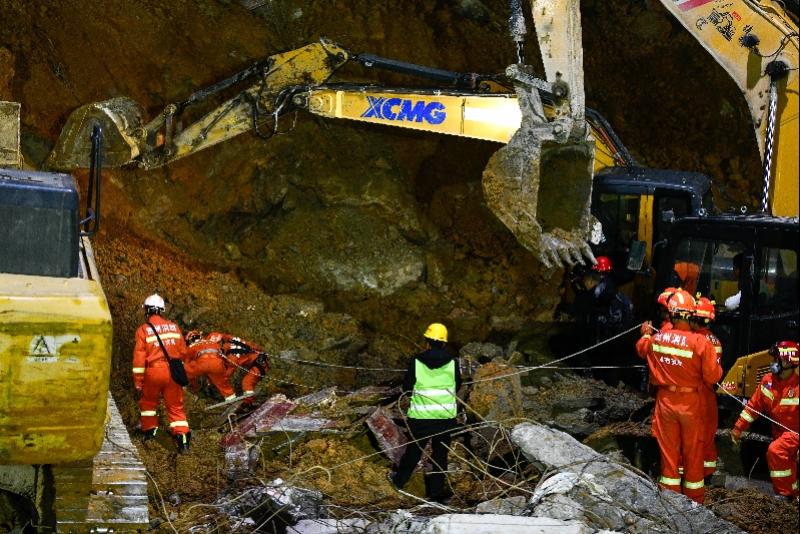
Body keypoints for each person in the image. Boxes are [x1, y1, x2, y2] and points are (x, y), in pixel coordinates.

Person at [636, 289, 722, 503]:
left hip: (665, 402)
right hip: (691, 403)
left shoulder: (658, 338)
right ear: (692, 315)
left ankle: (670, 499)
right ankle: (695, 499)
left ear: (672, 314)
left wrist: (646, 333)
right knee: (693, 450)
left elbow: (641, 349)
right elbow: (713, 376)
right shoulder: (702, 343)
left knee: (669, 452)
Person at [390, 323, 461, 503]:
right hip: (444, 418)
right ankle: (436, 492)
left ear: (427, 341)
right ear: (444, 343)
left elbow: (407, 387)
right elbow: (458, 385)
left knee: (413, 452)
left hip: (420, 418)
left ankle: (398, 482)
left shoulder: (416, 361)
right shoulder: (453, 363)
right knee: (440, 455)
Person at [731, 340, 799, 501]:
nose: (773, 362)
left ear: (789, 362)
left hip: (795, 434)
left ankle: (784, 495)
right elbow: (753, 407)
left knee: (776, 451)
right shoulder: (768, 381)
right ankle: (793, 494)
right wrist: (738, 428)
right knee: (785, 462)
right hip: (780, 433)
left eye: (777, 359)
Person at [132, 294, 192, 453]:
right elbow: (183, 352)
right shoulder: (174, 327)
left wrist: (138, 380)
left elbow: (139, 358)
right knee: (176, 407)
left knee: (148, 404)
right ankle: (183, 441)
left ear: (146, 310)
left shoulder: (143, 330)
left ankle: (150, 433)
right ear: (161, 310)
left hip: (153, 373)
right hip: (173, 372)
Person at [184, 331, 268, 405]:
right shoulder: (226, 344)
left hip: (259, 364)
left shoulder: (229, 351)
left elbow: (230, 368)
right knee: (225, 380)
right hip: (258, 360)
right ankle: (235, 398)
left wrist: (217, 378)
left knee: (246, 383)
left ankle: (248, 403)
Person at [690, 295, 723, 478]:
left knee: (691, 435)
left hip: (695, 394)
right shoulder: (715, 341)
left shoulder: (694, 341)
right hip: (709, 395)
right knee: (708, 433)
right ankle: (708, 472)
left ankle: (688, 474)